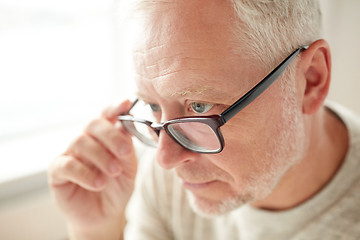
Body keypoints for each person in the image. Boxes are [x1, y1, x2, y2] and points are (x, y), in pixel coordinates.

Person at [48, 0, 360, 239]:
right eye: (154, 106)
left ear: (310, 81)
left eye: (198, 106)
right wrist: (96, 231)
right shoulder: (172, 183)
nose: (164, 159)